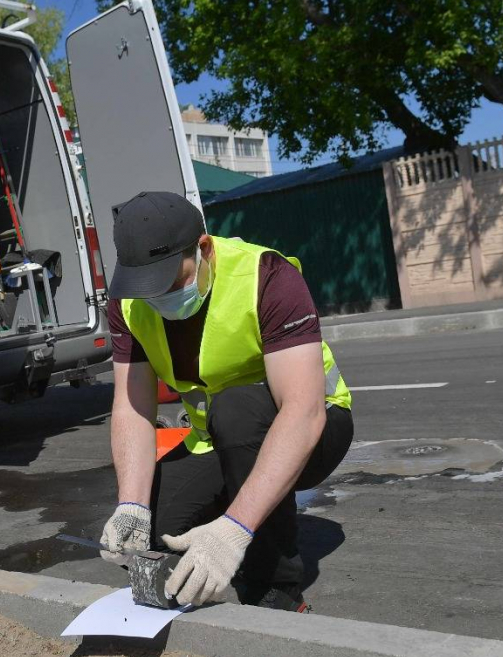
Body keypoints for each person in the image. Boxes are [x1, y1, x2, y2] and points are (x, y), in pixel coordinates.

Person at [99, 190, 353, 611]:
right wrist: (131, 504)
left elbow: (303, 411)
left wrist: (234, 530)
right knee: (156, 533)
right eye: (147, 289)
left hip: (316, 429)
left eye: (169, 283)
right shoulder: (127, 304)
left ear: (203, 249)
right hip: (217, 439)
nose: (158, 300)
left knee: (236, 408)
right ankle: (237, 502)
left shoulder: (266, 275)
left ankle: (276, 588)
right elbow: (132, 407)